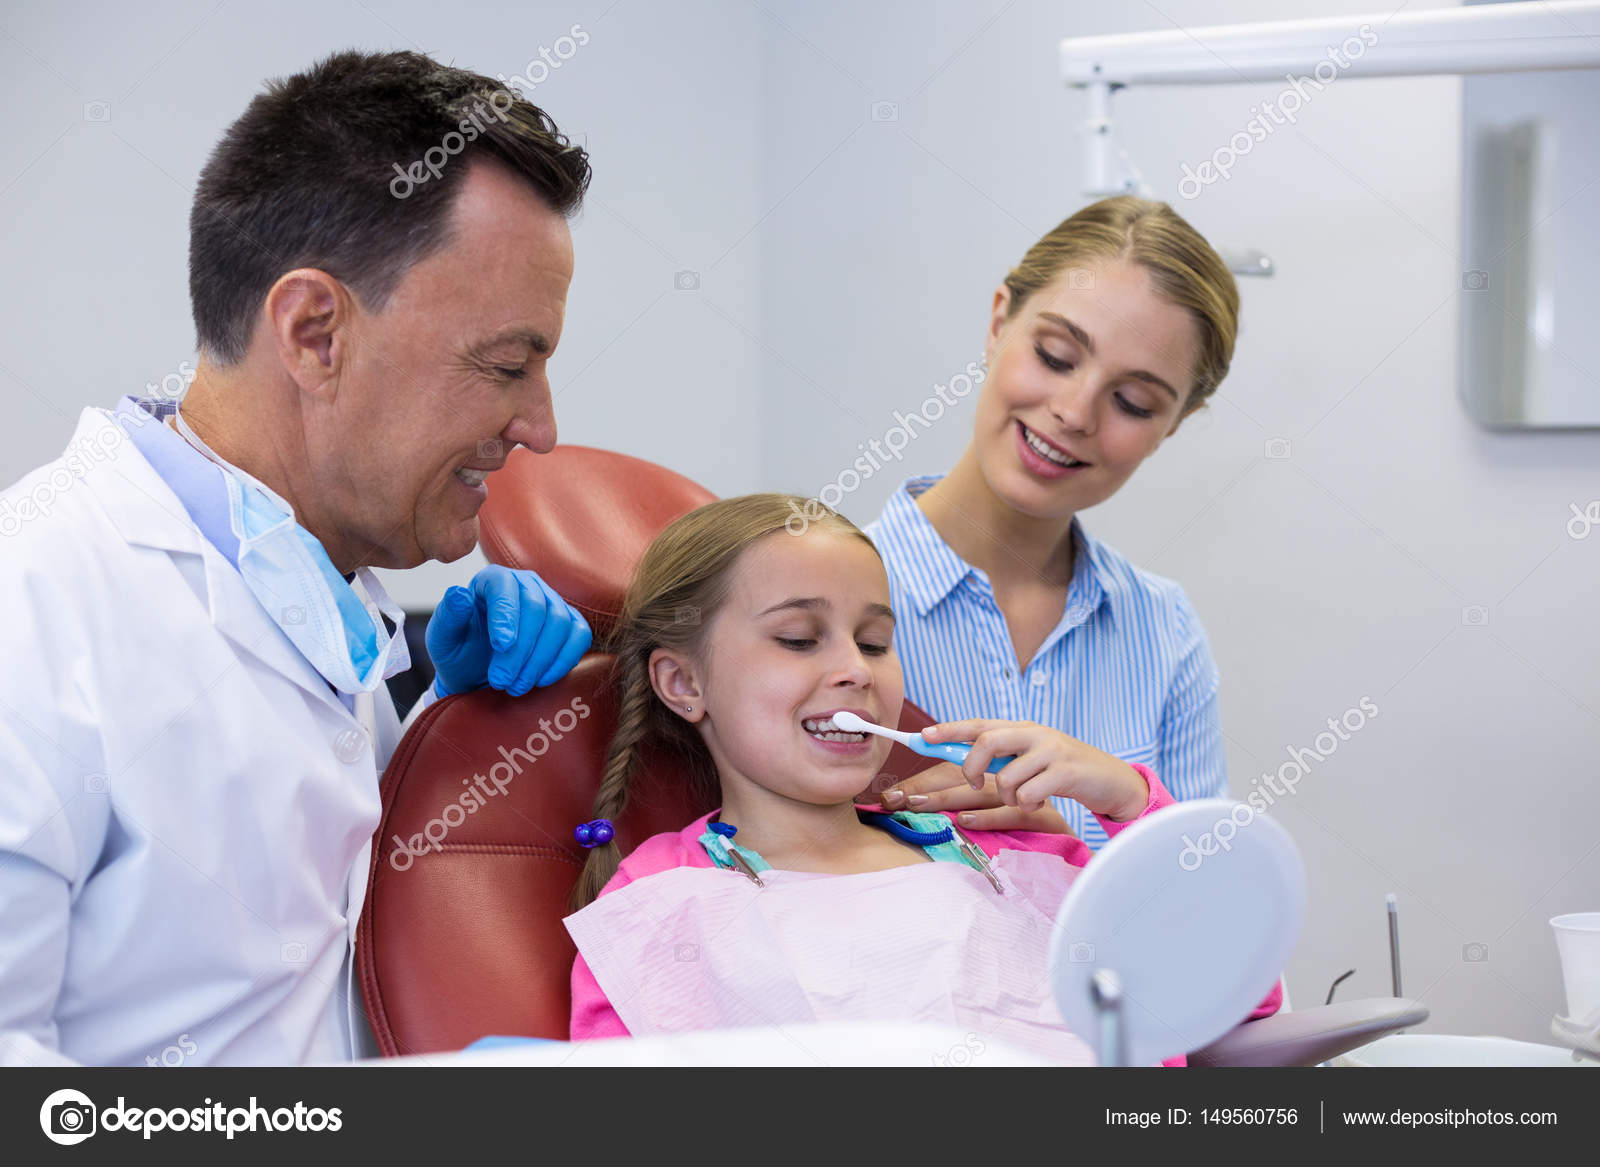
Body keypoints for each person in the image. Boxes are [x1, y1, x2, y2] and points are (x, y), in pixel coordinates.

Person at [0, 50, 593, 1066]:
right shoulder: (39, 604)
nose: (540, 428)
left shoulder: (320, 603)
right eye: (506, 366)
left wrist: (433, 736)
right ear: (316, 333)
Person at [562, 494, 1279, 1064]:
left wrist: (1128, 798)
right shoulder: (660, 899)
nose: (855, 668)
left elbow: (1235, 1000)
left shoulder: (1009, 852)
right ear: (683, 682)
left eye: (875, 640)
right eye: (798, 638)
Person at [866, 197, 1240, 848]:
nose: (1074, 411)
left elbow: (1211, 926)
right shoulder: (820, 602)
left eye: (1132, 401)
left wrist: (1121, 800)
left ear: (1173, 424)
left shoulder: (1164, 633)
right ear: (998, 323)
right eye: (1057, 356)